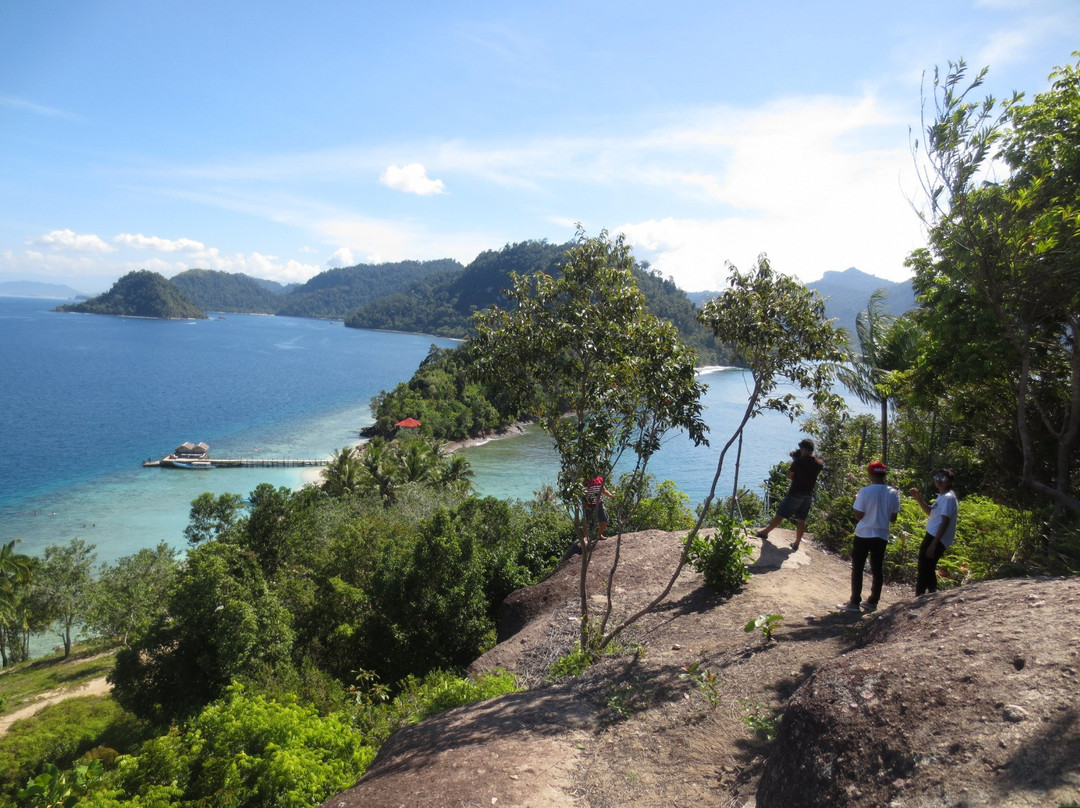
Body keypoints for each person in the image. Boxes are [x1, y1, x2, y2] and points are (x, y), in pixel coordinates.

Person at [838, 461, 900, 613]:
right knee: (877, 569)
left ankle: (854, 602)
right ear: (884, 474)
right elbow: (893, 518)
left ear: (871, 474)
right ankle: (873, 601)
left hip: (864, 534)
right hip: (882, 535)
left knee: (858, 568)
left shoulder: (865, 492)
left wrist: (856, 500)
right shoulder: (893, 493)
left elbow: (859, 515)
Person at [756, 438, 824, 550]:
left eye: (801, 449)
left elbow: (789, 475)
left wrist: (795, 460)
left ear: (804, 449)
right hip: (808, 494)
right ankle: (796, 543)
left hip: (796, 492)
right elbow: (813, 463)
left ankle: (764, 532)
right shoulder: (819, 463)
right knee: (802, 519)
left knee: (781, 514)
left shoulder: (798, 461)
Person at [908, 468, 958, 596]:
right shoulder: (942, 496)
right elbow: (931, 512)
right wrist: (919, 498)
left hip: (937, 537)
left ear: (950, 481)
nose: (939, 481)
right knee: (927, 567)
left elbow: (945, 521)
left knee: (924, 567)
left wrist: (934, 543)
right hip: (933, 535)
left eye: (943, 479)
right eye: (937, 478)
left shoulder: (948, 498)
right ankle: (931, 594)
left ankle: (919, 596)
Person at [582, 475, 615, 540]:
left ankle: (599, 535)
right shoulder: (584, 480)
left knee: (605, 520)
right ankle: (585, 536)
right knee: (586, 522)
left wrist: (611, 495)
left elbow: (604, 490)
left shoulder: (599, 479)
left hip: (599, 503)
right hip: (588, 504)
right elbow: (581, 492)